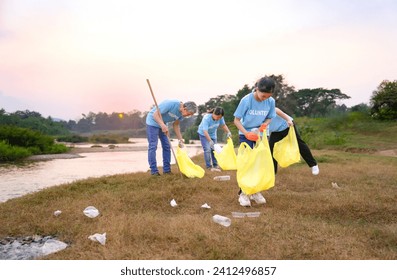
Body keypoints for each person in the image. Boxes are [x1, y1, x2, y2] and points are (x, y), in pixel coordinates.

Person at [233, 76, 276, 207]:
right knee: (247, 165)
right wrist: (246, 133)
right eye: (263, 96)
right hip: (246, 135)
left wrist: (264, 125)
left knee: (259, 164)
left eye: (268, 96)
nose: (265, 99)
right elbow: (236, 120)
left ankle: (256, 191)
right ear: (256, 89)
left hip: (261, 136)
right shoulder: (246, 100)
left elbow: (270, 117)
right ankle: (244, 193)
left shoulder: (271, 101)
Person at [146, 100, 197, 176]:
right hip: (152, 122)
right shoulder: (170, 104)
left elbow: (175, 125)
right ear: (184, 108)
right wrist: (162, 125)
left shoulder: (181, 115)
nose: (187, 116)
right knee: (153, 146)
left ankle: (167, 170)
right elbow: (155, 114)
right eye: (188, 114)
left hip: (163, 125)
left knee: (167, 146)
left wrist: (180, 139)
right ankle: (154, 171)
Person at [268, 107, 319, 175]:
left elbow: (276, 110)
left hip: (287, 125)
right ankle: (273, 172)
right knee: (271, 148)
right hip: (276, 131)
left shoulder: (266, 109)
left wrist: (288, 120)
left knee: (299, 144)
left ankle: (313, 165)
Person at [197, 107, 232, 171]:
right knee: (207, 149)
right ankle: (208, 166)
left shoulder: (220, 118)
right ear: (213, 113)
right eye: (217, 117)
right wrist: (210, 141)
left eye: (220, 117)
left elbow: (223, 125)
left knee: (214, 149)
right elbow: (205, 131)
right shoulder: (206, 118)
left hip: (213, 134)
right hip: (203, 134)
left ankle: (215, 165)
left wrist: (228, 132)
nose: (218, 119)